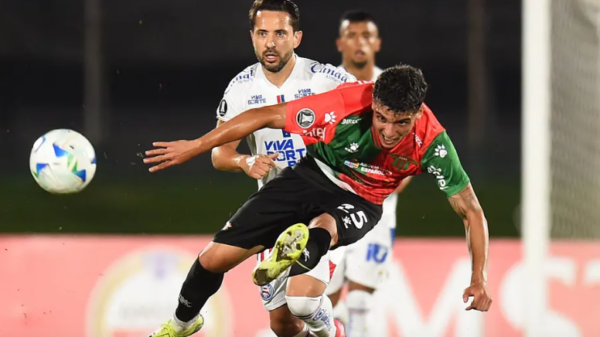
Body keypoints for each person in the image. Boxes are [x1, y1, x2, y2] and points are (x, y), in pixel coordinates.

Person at [144, 65, 493, 337]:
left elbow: (470, 211)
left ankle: (310, 269)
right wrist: (196, 145)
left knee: (308, 272)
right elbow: (264, 115)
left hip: (361, 200)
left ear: (417, 114)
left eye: (400, 123)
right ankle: (181, 323)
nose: (388, 132)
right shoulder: (346, 104)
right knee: (213, 261)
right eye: (382, 118)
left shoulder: (433, 143)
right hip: (311, 175)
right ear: (374, 103)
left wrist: (479, 278)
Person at [210, 0, 353, 336]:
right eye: (262, 33)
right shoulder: (241, 88)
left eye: (279, 33)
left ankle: (332, 331)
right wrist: (245, 162)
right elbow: (219, 153)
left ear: (297, 37)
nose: (270, 42)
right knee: (283, 324)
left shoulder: (328, 80)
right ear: (252, 37)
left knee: (302, 301)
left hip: (324, 208)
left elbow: (368, 119)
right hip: (275, 210)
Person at [325, 10, 409, 336]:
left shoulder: (397, 87)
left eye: (366, 36)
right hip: (330, 204)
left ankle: (354, 323)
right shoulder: (324, 84)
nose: (359, 42)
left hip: (377, 208)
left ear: (377, 43)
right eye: (352, 35)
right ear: (340, 43)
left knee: (361, 297)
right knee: (325, 300)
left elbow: (413, 144)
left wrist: (395, 183)